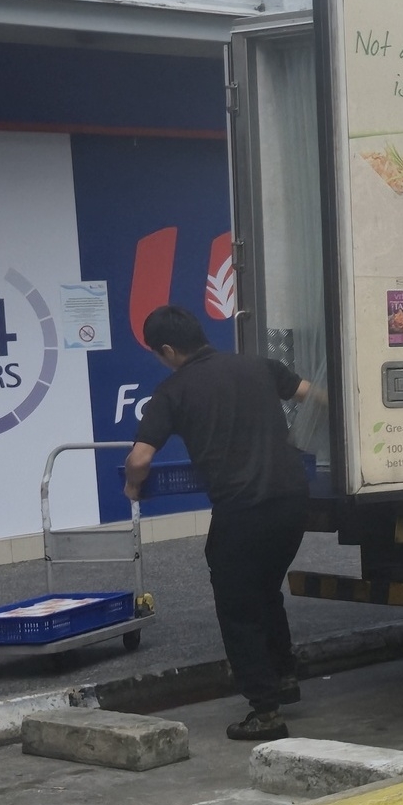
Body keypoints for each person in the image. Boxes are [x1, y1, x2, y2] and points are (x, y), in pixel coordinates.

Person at [122, 306, 316, 740]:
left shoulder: (172, 391)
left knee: (238, 607)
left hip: (243, 510)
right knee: (265, 590)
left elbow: (140, 458)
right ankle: (284, 676)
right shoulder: (258, 366)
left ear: (168, 350)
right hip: (292, 501)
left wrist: (133, 486)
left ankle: (265, 711)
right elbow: (314, 394)